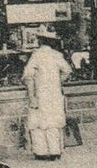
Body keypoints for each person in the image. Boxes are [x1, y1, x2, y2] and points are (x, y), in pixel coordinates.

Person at [22, 31, 72, 159]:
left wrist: (31, 96)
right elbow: (67, 71)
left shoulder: (36, 56)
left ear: (40, 42)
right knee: (54, 122)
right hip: (54, 94)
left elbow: (28, 77)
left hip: (40, 93)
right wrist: (57, 81)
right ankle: (55, 151)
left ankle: (42, 152)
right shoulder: (57, 55)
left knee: (39, 123)